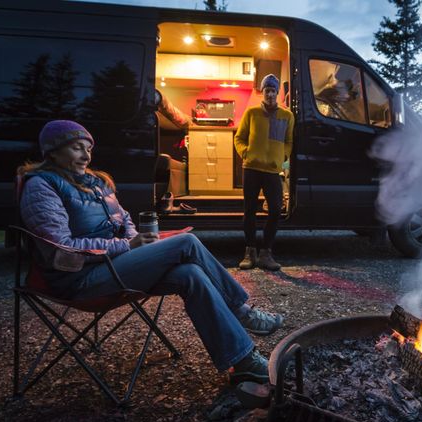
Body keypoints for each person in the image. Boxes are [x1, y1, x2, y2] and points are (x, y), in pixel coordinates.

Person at [18, 120, 284, 384]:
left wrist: (137, 241)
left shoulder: (97, 183)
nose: (86, 155)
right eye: (77, 148)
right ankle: (241, 311)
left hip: (116, 266)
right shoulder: (41, 186)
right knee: (187, 243)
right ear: (52, 151)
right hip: (78, 277)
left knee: (190, 274)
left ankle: (243, 361)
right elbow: (61, 246)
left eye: (88, 148)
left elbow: (125, 220)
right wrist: (127, 246)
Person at [234, 74, 294, 271]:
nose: (270, 94)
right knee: (249, 211)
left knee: (276, 209)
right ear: (263, 92)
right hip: (251, 168)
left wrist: (283, 157)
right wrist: (246, 153)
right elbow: (239, 138)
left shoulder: (287, 116)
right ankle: (249, 252)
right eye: (267, 90)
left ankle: (266, 253)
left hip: (272, 171)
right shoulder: (251, 113)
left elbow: (288, 142)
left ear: (277, 93)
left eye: (273, 90)